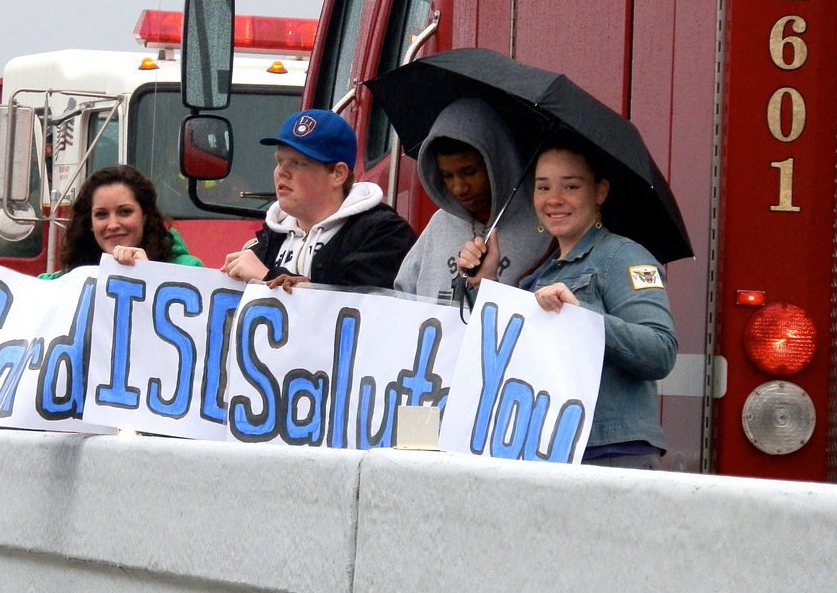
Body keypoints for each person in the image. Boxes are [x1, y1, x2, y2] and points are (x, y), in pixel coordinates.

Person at [459, 137, 677, 469]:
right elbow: (505, 359)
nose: (554, 200)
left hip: (612, 453)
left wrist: (583, 318)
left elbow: (660, 352)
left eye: (570, 187)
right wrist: (483, 283)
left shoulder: (627, 257)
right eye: (543, 188)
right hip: (549, 448)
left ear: (600, 192)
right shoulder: (538, 276)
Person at [221, 109, 416, 289]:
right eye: (280, 161)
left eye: (298, 163)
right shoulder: (267, 241)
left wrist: (267, 277)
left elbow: (359, 311)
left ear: (338, 174)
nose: (282, 172)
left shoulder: (384, 235)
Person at [395, 98, 550, 298]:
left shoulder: (541, 228)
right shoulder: (439, 224)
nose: (459, 188)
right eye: (446, 176)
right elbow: (402, 297)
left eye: (469, 172)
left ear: (496, 163)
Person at [40, 165, 202, 279]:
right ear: (89, 223)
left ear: (145, 215)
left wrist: (150, 275)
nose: (113, 225)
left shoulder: (189, 271)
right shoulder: (68, 281)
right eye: (101, 215)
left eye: (125, 212)